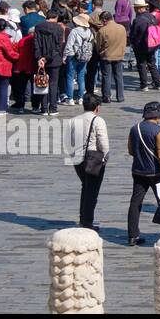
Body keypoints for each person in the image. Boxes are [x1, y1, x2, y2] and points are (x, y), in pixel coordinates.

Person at [126, 100, 160, 244]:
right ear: (158, 115)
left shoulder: (134, 128)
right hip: (156, 173)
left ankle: (132, 235)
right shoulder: (159, 131)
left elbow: (131, 150)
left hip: (138, 171)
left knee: (135, 203)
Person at [69, 92, 108, 229]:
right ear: (97, 107)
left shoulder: (73, 120)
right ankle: (87, 222)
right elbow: (103, 144)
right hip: (93, 159)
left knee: (85, 187)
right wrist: (105, 157)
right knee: (92, 191)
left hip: (77, 159)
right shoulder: (98, 120)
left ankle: (83, 218)